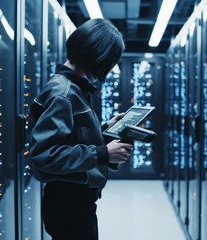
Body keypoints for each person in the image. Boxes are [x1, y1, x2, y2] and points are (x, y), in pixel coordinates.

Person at [29, 18, 133, 240]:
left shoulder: (73, 88)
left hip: (74, 202)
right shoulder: (64, 94)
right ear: (97, 57)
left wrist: (106, 128)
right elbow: (44, 155)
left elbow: (72, 137)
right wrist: (104, 153)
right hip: (69, 205)